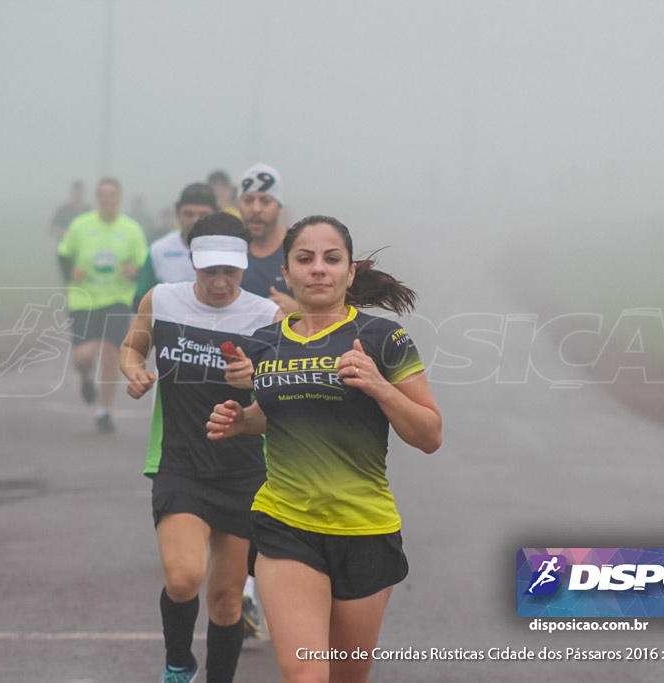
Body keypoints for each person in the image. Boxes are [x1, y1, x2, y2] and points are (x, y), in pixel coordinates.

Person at [206, 215, 442, 683]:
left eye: (331, 259)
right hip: (285, 524)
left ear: (349, 273)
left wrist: (379, 387)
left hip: (366, 530)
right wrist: (240, 421)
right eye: (305, 259)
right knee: (305, 676)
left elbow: (429, 435)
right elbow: (275, 417)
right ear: (286, 272)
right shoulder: (266, 345)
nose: (318, 269)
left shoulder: (383, 339)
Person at [120, 212, 281, 683]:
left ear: (244, 264)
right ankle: (177, 665)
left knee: (228, 599)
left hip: (244, 471)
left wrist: (257, 378)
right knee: (184, 577)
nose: (220, 281)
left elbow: (285, 394)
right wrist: (134, 370)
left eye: (230, 270)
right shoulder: (162, 301)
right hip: (181, 465)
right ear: (191, 260)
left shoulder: (266, 317)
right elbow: (132, 348)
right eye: (210, 269)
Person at [57, 177, 148, 433]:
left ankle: (104, 411)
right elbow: (63, 253)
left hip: (117, 299)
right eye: (103, 194)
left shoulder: (131, 229)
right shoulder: (81, 225)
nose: (108, 199)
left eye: (112, 194)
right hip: (83, 299)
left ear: (119, 198)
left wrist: (135, 270)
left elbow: (144, 263)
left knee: (111, 355)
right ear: (97, 198)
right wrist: (69, 274)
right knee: (82, 356)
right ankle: (85, 377)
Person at [134, 183, 218, 308]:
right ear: (178, 214)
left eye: (203, 215)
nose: (195, 220)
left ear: (216, 215)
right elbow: (141, 301)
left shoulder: (228, 250)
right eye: (189, 214)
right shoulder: (159, 250)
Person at [236, 163, 296, 315]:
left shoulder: (299, 248)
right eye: (248, 200)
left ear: (280, 207)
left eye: (265, 201)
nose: (256, 209)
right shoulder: (231, 248)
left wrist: (300, 311)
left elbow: (342, 309)